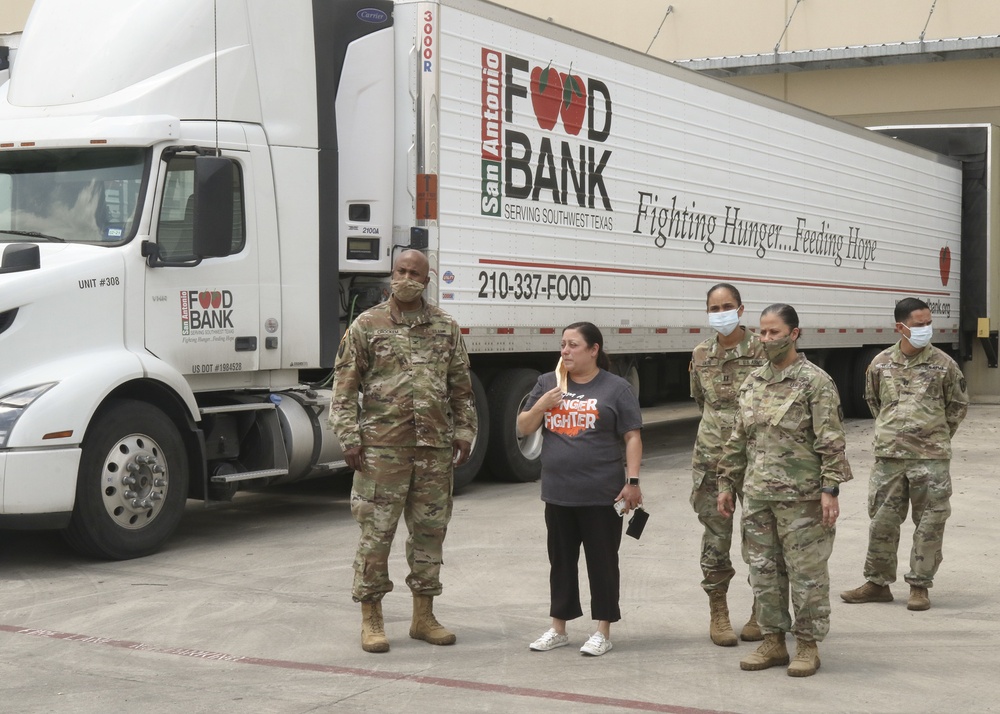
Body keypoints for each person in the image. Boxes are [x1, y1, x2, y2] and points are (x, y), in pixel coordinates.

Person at [328, 249, 477, 653]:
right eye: (401, 270)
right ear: (391, 274)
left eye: (415, 272)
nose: (406, 277)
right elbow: (343, 391)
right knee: (376, 536)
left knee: (430, 534)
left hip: (433, 452)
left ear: (427, 280)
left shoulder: (446, 327)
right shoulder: (366, 325)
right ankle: (372, 618)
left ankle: (423, 616)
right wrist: (349, 438)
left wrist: (464, 432)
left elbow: (461, 388)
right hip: (381, 452)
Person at [716, 304, 852, 677]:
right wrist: (727, 482)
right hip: (758, 495)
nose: (766, 339)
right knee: (763, 572)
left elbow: (831, 441)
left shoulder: (815, 381)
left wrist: (830, 489)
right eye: (762, 332)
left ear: (794, 334)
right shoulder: (754, 381)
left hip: (802, 498)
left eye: (774, 332)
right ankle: (773, 641)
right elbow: (737, 438)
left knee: (806, 574)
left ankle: (807, 645)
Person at [518, 322, 643, 657]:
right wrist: (543, 403)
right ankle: (558, 628)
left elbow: (632, 436)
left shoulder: (615, 388)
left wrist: (632, 482)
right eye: (562, 345)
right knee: (560, 561)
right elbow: (523, 426)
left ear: (593, 350)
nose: (565, 351)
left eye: (573, 345)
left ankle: (602, 629)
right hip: (558, 492)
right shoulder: (548, 382)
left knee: (602, 562)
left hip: (602, 493)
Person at [841, 297, 969, 611]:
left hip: (930, 459)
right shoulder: (881, 363)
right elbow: (874, 402)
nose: (926, 329)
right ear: (900, 327)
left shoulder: (944, 364)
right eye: (919, 324)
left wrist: (933, 436)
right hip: (889, 458)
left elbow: (957, 407)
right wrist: (894, 434)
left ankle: (919, 586)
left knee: (930, 522)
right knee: (882, 521)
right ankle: (877, 583)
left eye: (929, 323)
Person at [689, 283, 768, 647]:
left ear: (740, 309)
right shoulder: (701, 353)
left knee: (760, 537)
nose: (721, 312)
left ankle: (760, 610)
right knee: (715, 537)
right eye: (714, 307)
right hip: (711, 460)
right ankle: (718, 611)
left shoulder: (763, 351)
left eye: (727, 306)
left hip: (755, 459)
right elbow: (700, 400)